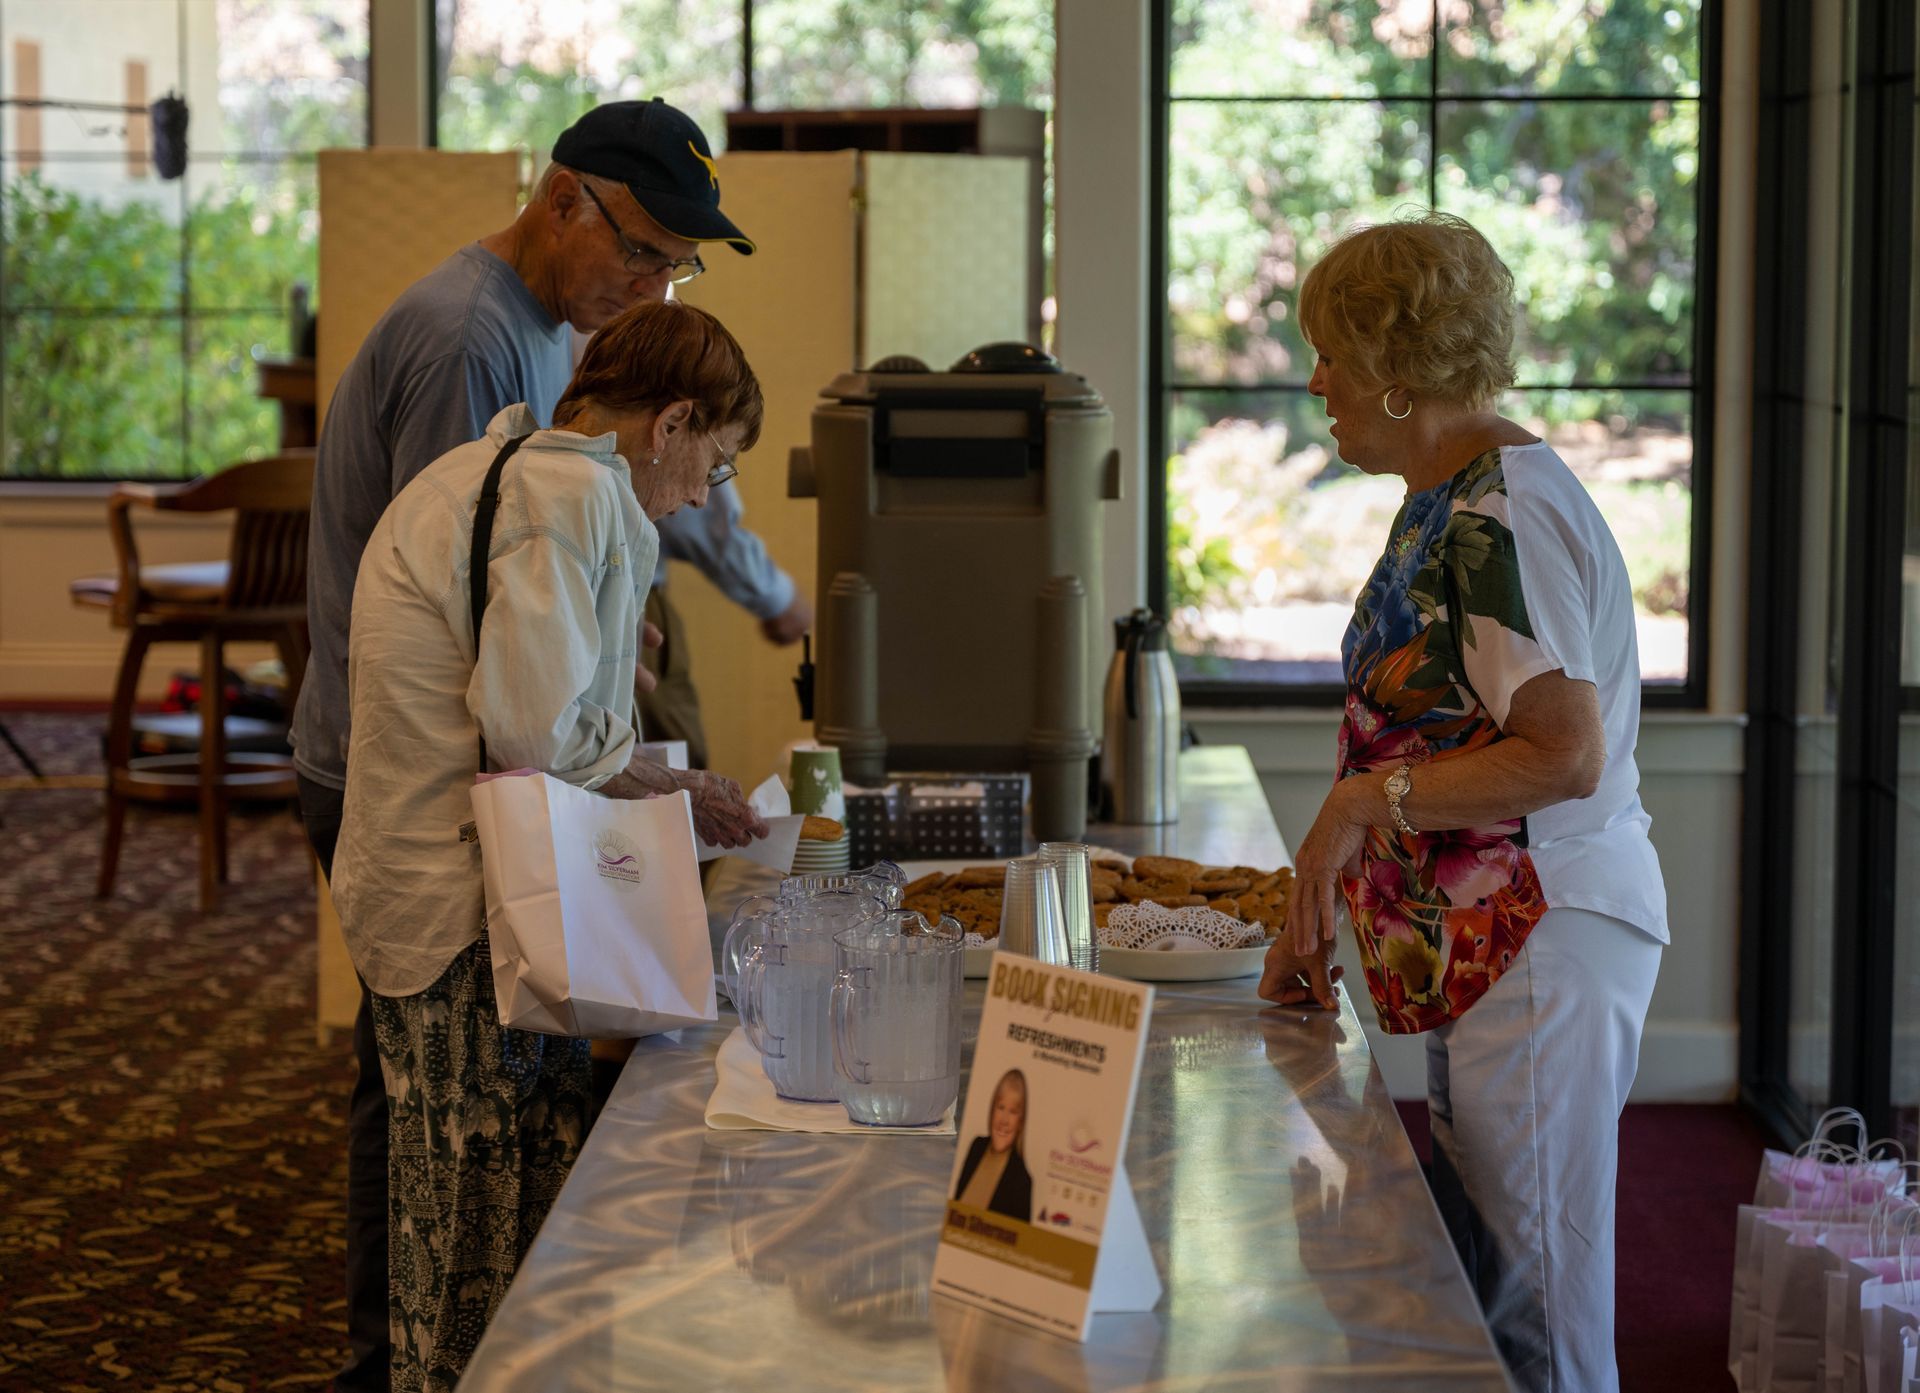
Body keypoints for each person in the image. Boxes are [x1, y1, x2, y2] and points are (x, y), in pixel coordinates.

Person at [290, 98, 767, 1393]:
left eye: (673, 267)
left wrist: (654, 752)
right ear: (565, 200)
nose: (647, 282)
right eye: (641, 251)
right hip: (422, 816)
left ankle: (421, 1359)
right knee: (449, 1152)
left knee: (465, 1138)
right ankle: (403, 1366)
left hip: (448, 809)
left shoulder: (559, 402)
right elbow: (523, 708)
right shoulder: (480, 357)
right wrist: (644, 756)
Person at [1256, 211, 1667, 1393]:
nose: (1318, 380)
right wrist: (1336, 868)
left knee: (1535, 1308)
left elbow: (1561, 754)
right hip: (1488, 947)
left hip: (1539, 936)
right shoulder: (1454, 492)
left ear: (1398, 367)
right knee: (1491, 1280)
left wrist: (1355, 808)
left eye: (1334, 352)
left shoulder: (1505, 511)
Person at [953, 1068, 1034, 1223]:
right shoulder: (977, 1147)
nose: (1004, 1119)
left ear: (1021, 1122)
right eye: (1001, 1107)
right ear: (992, 1109)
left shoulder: (1022, 1181)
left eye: (1013, 1112)